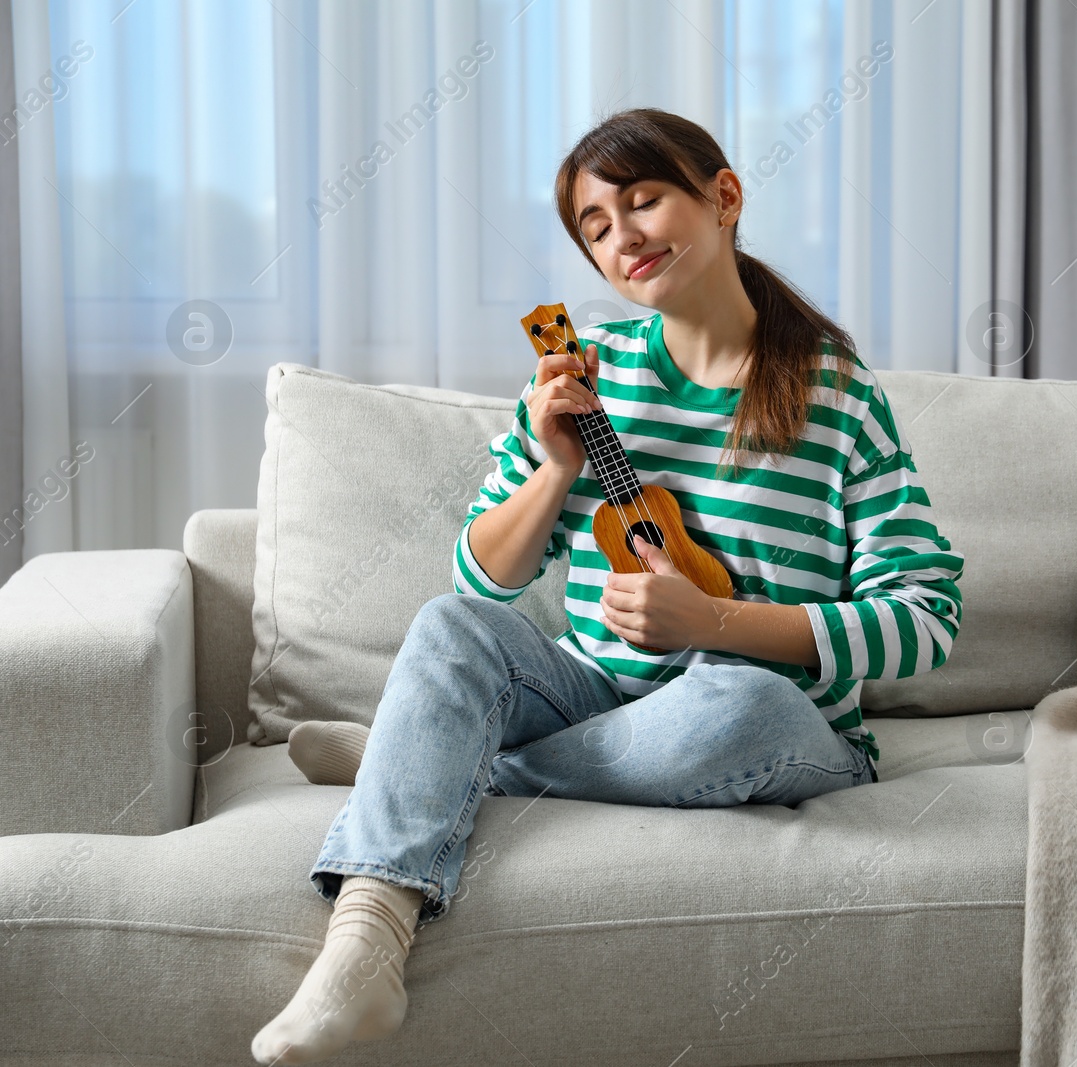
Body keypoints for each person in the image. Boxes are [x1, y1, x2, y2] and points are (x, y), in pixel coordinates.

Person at [251, 106, 965, 1065]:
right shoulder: (591, 377)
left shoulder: (836, 394)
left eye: (643, 201)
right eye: (594, 226)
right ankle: (365, 945)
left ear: (723, 197)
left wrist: (714, 618)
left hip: (777, 716)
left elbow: (925, 613)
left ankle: (426, 761)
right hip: (595, 690)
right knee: (451, 625)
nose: (621, 237)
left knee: (735, 700)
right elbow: (482, 577)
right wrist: (550, 468)